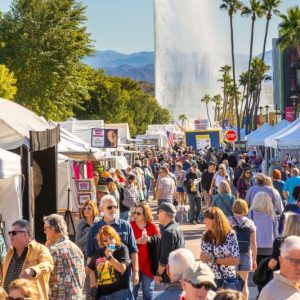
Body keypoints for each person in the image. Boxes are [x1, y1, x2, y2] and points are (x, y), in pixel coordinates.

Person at [86, 195, 139, 292]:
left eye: (115, 206)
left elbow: (133, 251)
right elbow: (90, 255)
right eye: (110, 207)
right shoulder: (94, 229)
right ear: (102, 209)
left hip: (124, 280)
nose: (113, 209)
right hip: (104, 281)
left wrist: (136, 272)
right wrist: (92, 278)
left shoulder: (125, 226)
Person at [2, 220, 53, 298]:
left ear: (25, 234)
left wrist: (33, 270)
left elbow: (48, 264)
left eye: (14, 233)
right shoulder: (10, 253)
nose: (11, 236)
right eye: (10, 233)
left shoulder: (40, 249)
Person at [43, 214, 85, 299]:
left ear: (53, 229)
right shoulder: (76, 249)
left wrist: (46, 248)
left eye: (45, 229)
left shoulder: (53, 250)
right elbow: (83, 276)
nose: (44, 232)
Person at [200, 207, 240, 290]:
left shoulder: (230, 235)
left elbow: (235, 260)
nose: (204, 222)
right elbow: (204, 258)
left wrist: (213, 259)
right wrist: (203, 258)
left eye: (206, 219)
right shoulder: (205, 236)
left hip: (227, 280)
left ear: (215, 220)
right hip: (210, 279)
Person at [87, 225, 131, 299]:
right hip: (102, 294)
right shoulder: (99, 252)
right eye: (105, 240)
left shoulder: (122, 249)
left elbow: (122, 269)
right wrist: (92, 280)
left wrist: (109, 256)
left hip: (119, 292)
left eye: (111, 238)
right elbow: (90, 268)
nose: (108, 242)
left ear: (115, 237)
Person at [130, 203, 160, 300]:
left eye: (138, 213)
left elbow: (159, 239)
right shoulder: (130, 225)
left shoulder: (151, 226)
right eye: (135, 213)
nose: (135, 215)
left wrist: (149, 239)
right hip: (133, 265)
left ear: (145, 214)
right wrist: (136, 241)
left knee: (148, 292)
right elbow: (124, 243)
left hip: (148, 265)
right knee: (133, 292)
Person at [228, 199, 257, 299]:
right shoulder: (250, 223)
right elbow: (254, 244)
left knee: (231, 283)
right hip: (246, 254)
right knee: (244, 284)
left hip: (231, 255)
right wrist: (254, 259)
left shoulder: (229, 221)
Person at [155, 202, 185, 285]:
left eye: (158, 212)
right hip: (179, 271)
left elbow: (165, 257)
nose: (157, 215)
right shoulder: (177, 227)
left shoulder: (168, 232)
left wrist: (158, 274)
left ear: (164, 213)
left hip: (171, 275)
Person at [75, 199, 99, 299]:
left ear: (94, 210)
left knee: (102, 285)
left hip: (99, 258)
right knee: (89, 288)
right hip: (86, 259)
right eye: (84, 208)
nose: (86, 210)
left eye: (89, 208)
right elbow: (78, 243)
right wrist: (90, 233)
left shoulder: (99, 222)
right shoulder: (81, 223)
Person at [249, 192, 278, 265]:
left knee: (257, 272)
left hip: (255, 247)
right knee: (268, 272)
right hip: (270, 247)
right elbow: (275, 232)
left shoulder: (251, 213)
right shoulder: (272, 214)